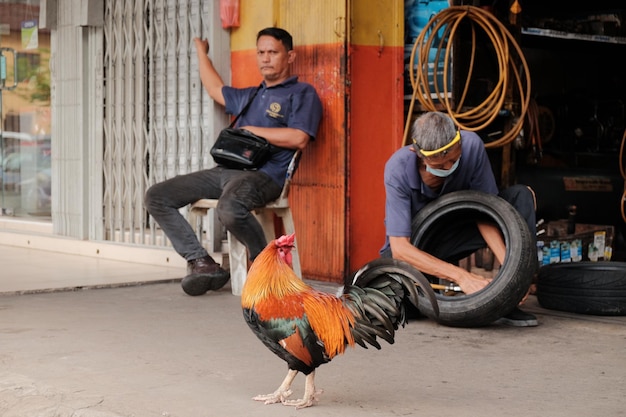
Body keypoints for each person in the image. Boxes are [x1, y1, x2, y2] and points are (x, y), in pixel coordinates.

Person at [144, 27, 323, 296]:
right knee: (157, 195)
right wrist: (200, 52)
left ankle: (266, 267)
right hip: (225, 172)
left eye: (273, 52)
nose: (265, 58)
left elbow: (299, 138)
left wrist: (252, 130)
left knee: (229, 208)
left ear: (290, 56)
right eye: (261, 52)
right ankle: (202, 262)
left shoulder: (301, 93)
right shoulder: (250, 95)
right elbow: (215, 89)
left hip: (265, 176)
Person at [380, 111, 538, 327]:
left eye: (454, 159)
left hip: (459, 230)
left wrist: (513, 274)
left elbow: (488, 214)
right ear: (419, 155)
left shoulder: (471, 146)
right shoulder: (397, 169)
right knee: (403, 308)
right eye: (438, 165)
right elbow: (400, 249)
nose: (448, 168)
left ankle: (509, 306)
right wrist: (461, 277)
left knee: (520, 197)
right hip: (418, 249)